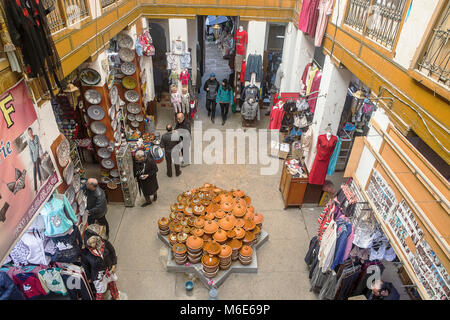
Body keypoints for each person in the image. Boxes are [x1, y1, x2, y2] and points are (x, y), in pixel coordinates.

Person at [27, 127, 43, 192]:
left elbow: (39, 145)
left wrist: (41, 154)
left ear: (32, 131)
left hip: (38, 156)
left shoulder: (36, 137)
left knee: (37, 170)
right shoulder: (29, 142)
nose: (30, 133)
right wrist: (32, 161)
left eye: (31, 132)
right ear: (28, 134)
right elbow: (30, 152)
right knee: (35, 172)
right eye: (29, 133)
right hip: (34, 159)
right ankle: (37, 186)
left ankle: (38, 185)